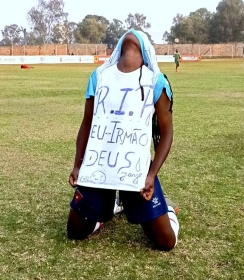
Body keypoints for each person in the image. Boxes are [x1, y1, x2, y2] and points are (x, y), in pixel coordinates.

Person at [67, 29, 179, 251]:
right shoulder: (98, 77)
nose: (132, 33)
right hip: (99, 168)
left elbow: (166, 133)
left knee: (165, 242)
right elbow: (87, 123)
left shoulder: (156, 81)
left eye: (140, 36)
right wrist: (78, 165)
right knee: (75, 231)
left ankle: (168, 211)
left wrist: (151, 174)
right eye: (127, 35)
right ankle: (106, 211)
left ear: (147, 53)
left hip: (135, 173)